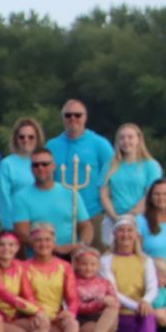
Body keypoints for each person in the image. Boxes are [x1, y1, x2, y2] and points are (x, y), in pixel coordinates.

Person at [23, 224, 97, 332]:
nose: (43, 244)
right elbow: (27, 295)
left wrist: (70, 312)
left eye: (47, 240)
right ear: (32, 243)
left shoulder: (64, 266)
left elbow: (72, 297)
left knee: (72, 324)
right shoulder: (24, 266)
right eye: (39, 240)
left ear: (54, 242)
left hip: (56, 316)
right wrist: (39, 313)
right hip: (34, 315)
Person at [45, 99, 115, 241]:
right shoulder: (52, 146)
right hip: (62, 215)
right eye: (68, 115)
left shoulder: (100, 144)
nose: (73, 118)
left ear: (85, 117)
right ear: (62, 118)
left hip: (94, 213)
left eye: (78, 115)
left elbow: (111, 176)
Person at [9, 150, 88, 255]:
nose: (40, 168)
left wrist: (82, 245)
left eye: (45, 164)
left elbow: (86, 225)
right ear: (31, 168)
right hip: (38, 256)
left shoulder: (71, 194)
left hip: (70, 255)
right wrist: (54, 248)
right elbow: (22, 234)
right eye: (36, 165)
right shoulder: (21, 197)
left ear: (54, 166)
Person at [100, 123, 163, 246]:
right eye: (122, 138)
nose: (126, 141)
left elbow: (150, 194)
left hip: (141, 218)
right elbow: (104, 195)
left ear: (138, 139)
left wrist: (130, 216)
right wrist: (115, 217)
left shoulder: (151, 165)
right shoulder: (109, 166)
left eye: (130, 137)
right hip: (113, 219)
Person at [0, 118, 46, 236]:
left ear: (37, 139)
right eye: (22, 137)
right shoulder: (7, 164)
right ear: (16, 139)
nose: (26, 140)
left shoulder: (45, 163)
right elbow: (4, 199)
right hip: (17, 226)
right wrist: (11, 228)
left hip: (42, 226)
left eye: (31, 137)